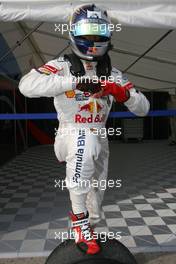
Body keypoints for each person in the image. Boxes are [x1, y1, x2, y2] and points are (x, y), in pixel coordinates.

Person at [19, 4, 150, 255]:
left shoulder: (113, 73)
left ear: (108, 35)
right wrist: (76, 81)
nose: (91, 40)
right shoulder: (62, 65)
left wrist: (118, 91)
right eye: (86, 33)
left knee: (95, 204)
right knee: (85, 139)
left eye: (97, 33)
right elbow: (26, 85)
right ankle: (78, 224)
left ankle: (86, 223)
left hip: (100, 138)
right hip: (70, 133)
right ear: (73, 33)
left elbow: (143, 108)